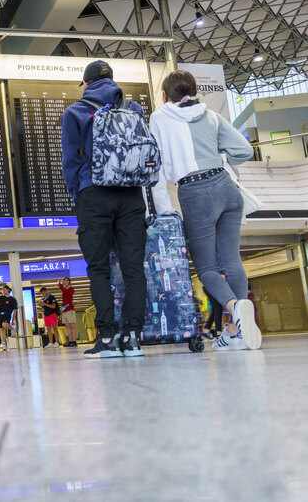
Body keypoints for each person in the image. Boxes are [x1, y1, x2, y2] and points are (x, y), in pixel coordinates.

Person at [149, 70, 259, 351]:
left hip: (195, 193)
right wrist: (221, 157)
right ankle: (234, 332)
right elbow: (245, 150)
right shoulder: (210, 114)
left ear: (165, 95)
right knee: (232, 262)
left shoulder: (159, 118)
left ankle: (235, 309)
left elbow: (157, 167)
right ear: (194, 90)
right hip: (225, 187)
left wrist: (164, 207)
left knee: (207, 268)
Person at [61, 60, 147, 359]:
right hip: (131, 194)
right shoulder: (134, 109)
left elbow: (70, 160)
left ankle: (108, 338)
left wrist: (79, 193)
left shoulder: (75, 112)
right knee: (134, 268)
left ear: (85, 84)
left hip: (94, 193)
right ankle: (134, 337)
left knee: (99, 269)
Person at [58, 276, 78, 347]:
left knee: (72, 326)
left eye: (65, 280)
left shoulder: (70, 289)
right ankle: (70, 341)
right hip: (65, 310)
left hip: (70, 309)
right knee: (67, 326)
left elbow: (65, 291)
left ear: (69, 282)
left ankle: (74, 341)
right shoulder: (64, 289)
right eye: (63, 280)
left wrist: (60, 285)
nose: (64, 281)